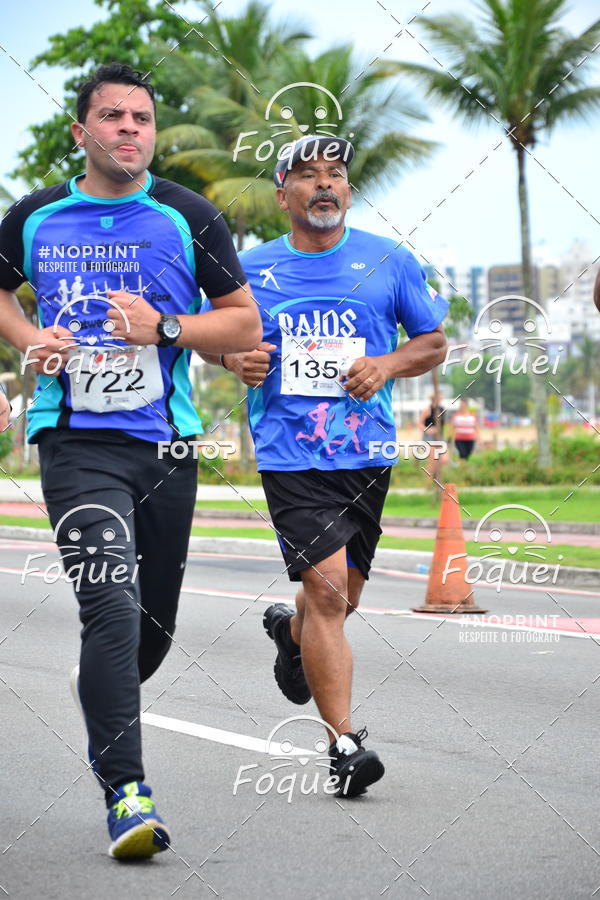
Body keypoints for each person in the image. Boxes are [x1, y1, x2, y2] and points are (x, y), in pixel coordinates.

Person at [0, 63, 261, 858]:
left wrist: (167, 330)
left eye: (142, 119)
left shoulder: (188, 217)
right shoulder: (36, 217)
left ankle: (106, 688)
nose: (130, 131)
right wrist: (28, 339)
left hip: (167, 446)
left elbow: (243, 325)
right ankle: (128, 794)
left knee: (150, 630)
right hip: (75, 445)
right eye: (112, 117)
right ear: (81, 133)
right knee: (108, 604)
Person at [203, 135, 448, 797]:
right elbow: (212, 339)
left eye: (335, 173)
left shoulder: (388, 261)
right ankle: (344, 744)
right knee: (331, 592)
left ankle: (291, 633)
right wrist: (234, 360)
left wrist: (387, 364)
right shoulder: (248, 268)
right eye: (307, 175)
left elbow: (432, 341)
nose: (323, 184)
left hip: (365, 455)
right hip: (289, 454)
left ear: (346, 189)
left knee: (339, 603)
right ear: (283, 194)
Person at [417, 391, 447, 491]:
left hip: (439, 437)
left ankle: (437, 478)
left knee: (443, 459)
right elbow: (419, 423)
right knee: (432, 461)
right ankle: (429, 484)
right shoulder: (428, 410)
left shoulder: (442, 410)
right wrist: (428, 430)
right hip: (429, 438)